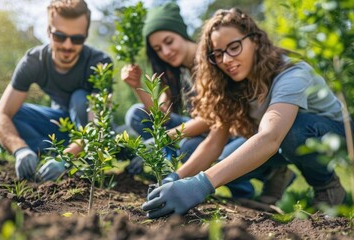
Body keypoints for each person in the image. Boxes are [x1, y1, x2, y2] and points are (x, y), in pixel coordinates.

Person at [142, 7, 350, 219]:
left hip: (336, 136)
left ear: (255, 41)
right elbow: (214, 143)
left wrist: (201, 184)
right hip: (283, 140)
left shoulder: (291, 73)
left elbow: (270, 137)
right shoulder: (233, 83)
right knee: (225, 163)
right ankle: (277, 174)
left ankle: (327, 188)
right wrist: (174, 178)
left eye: (234, 47)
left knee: (292, 130)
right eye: (218, 53)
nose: (227, 60)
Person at [122, 3, 296, 202]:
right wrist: (137, 86)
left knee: (191, 149)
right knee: (137, 115)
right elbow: (161, 114)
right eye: (158, 49)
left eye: (169, 41)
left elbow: (212, 119)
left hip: (237, 131)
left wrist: (163, 139)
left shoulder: (215, 61)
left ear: (181, 33)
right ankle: (167, 171)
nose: (166, 51)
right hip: (217, 131)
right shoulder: (174, 71)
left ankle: (249, 186)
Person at [0, 0, 113, 182]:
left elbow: (98, 128)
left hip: (89, 132)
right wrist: (19, 148)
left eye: (77, 39)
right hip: (59, 127)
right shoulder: (34, 61)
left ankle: (84, 162)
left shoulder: (99, 63)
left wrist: (63, 159)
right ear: (49, 31)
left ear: (86, 35)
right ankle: (39, 155)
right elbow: (1, 114)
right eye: (59, 36)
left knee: (80, 98)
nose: (67, 45)